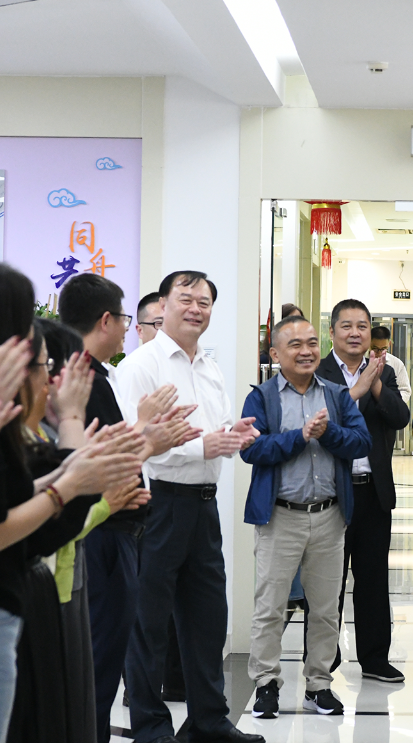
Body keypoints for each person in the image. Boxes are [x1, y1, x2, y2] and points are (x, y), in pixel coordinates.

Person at [0, 263, 142, 743]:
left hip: (11, 598)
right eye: (43, 367)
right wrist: (69, 479)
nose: (47, 380)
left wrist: (73, 475)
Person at [114, 270, 263, 743]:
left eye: (205, 302)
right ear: (163, 305)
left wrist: (233, 435)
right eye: (186, 298)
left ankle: (208, 721)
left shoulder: (209, 367)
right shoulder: (141, 365)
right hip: (158, 504)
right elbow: (136, 442)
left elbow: (215, 430)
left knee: (207, 618)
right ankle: (151, 726)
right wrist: (203, 447)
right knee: (149, 622)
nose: (196, 309)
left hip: (203, 505)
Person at [59, 273, 198, 742]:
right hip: (101, 531)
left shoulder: (101, 374)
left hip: (116, 529)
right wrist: (146, 433)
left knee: (102, 658)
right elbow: (90, 463)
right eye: (124, 319)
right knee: (98, 661)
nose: (128, 329)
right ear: (105, 320)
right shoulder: (82, 379)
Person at [241, 315, 372, 719]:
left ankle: (319, 684)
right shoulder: (261, 397)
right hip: (280, 517)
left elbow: (361, 442)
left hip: (329, 516)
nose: (306, 351)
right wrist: (299, 437)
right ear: (275, 353)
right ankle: (266, 683)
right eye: (295, 344)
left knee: (326, 608)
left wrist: (327, 433)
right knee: (270, 606)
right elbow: (251, 450)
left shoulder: (336, 395)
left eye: (312, 343)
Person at [316, 299, 411, 682]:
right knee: (326, 581)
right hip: (330, 491)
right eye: (347, 326)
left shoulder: (385, 370)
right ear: (332, 332)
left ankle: (374, 659)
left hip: (373, 491)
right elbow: (321, 421)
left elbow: (400, 417)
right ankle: (323, 660)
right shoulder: (318, 371)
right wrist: (357, 389)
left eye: (362, 326)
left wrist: (375, 385)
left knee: (372, 578)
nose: (355, 333)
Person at [370, 325, 413, 404]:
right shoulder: (360, 361)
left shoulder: (396, 364)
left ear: (389, 344)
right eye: (375, 349)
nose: (379, 353)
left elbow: (406, 391)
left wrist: (392, 402)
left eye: (383, 349)